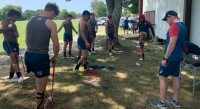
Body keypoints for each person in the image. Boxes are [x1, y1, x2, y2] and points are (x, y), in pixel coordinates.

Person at [25, 3, 60, 109]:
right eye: (54, 15)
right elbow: (56, 45)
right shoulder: (50, 23)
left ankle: (44, 100)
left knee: (39, 82)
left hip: (29, 55)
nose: (53, 17)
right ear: (52, 12)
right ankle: (39, 106)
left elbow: (26, 40)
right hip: (40, 58)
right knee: (40, 90)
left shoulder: (30, 21)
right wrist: (56, 56)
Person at [149, 10, 187, 108]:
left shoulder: (174, 26)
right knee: (176, 78)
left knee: (162, 77)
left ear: (170, 16)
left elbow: (172, 44)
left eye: (166, 19)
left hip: (171, 58)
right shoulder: (183, 26)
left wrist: (165, 58)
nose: (166, 21)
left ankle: (162, 103)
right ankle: (175, 100)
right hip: (179, 56)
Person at [0, 9, 23, 83]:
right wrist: (9, 26)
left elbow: (16, 34)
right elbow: (1, 30)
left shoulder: (14, 24)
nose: (16, 19)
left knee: (14, 60)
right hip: (7, 43)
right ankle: (19, 76)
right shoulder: (4, 22)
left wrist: (16, 34)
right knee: (14, 59)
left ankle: (10, 77)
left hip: (14, 44)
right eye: (15, 18)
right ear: (11, 16)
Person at [74, 10, 91, 75]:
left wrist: (91, 36)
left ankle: (85, 67)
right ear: (85, 15)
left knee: (85, 55)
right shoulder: (82, 22)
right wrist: (86, 42)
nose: (88, 18)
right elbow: (82, 33)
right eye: (88, 16)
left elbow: (89, 30)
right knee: (84, 56)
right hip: (82, 40)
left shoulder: (86, 21)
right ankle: (76, 68)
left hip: (86, 39)